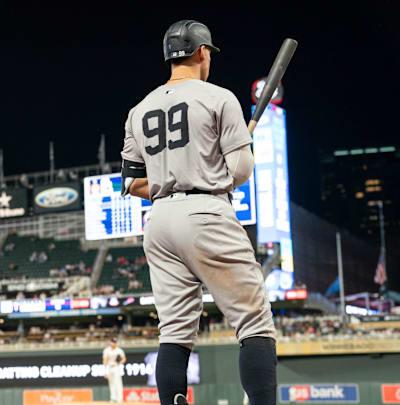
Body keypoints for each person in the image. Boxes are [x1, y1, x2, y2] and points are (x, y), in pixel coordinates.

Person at [120, 20, 277, 405]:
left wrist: (172, 177)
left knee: (174, 332)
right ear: (203, 52)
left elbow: (132, 183)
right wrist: (217, 166)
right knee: (254, 324)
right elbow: (240, 171)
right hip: (206, 209)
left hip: (158, 220)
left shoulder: (139, 110)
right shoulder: (219, 97)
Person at [102, 337, 126, 403]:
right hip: (109, 367)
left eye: (115, 342)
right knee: (111, 383)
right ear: (110, 342)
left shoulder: (119, 350)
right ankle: (113, 398)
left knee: (118, 383)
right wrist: (105, 371)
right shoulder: (106, 350)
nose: (114, 343)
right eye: (113, 342)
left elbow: (124, 359)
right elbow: (105, 360)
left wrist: (119, 362)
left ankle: (120, 399)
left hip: (116, 367)